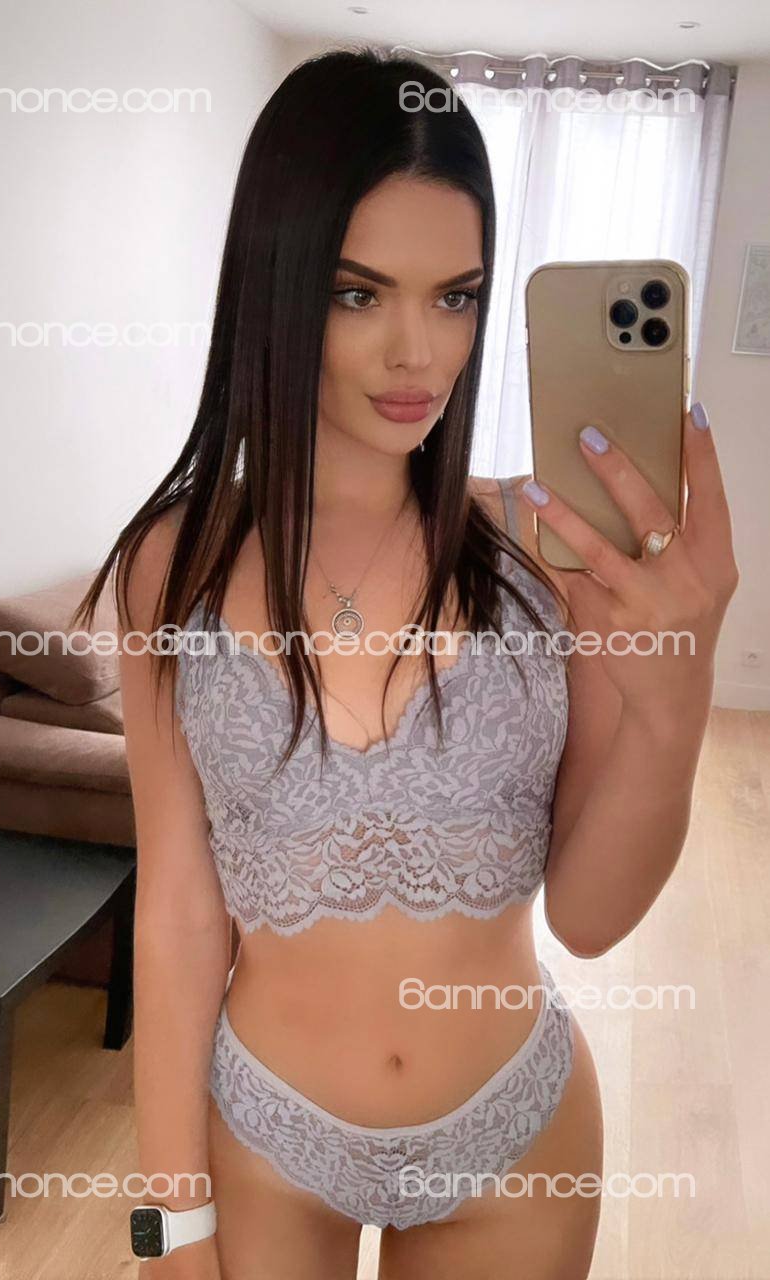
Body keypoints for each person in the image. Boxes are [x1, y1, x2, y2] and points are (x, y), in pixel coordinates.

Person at [74, 47, 737, 1280]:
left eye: (456, 296)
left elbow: (592, 916)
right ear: (278, 285)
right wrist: (169, 1224)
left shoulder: (542, 553)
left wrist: (677, 689)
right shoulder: (176, 563)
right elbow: (175, 910)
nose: (418, 353)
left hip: (515, 1136)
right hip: (266, 1139)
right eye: (358, 293)